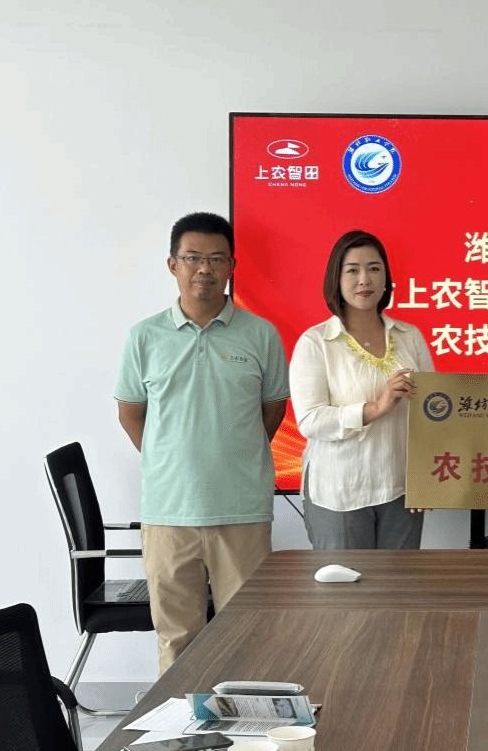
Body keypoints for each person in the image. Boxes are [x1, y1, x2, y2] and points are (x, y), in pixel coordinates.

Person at [115, 212, 289, 673]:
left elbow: (272, 409)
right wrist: (171, 457)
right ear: (172, 264)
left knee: (250, 635)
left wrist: (232, 454)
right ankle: (180, 721)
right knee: (177, 638)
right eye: (193, 258)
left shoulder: (261, 335)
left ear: (232, 265)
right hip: (169, 512)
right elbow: (131, 414)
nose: (204, 269)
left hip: (242, 510)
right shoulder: (144, 337)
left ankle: (245, 721)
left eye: (216, 258)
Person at [289, 230, 433, 549]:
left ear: (386, 278)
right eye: (352, 270)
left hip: (401, 488)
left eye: (374, 268)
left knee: (399, 581)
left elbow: (432, 412)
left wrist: (428, 478)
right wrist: (376, 408)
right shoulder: (317, 342)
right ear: (336, 279)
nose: (364, 279)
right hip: (340, 491)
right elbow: (311, 420)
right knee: (345, 582)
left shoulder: (410, 337)